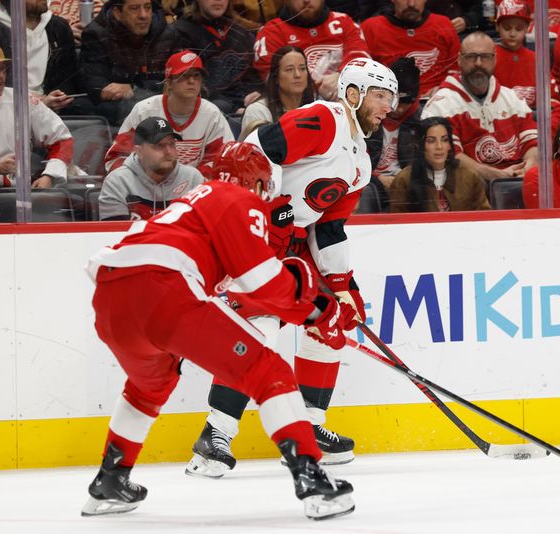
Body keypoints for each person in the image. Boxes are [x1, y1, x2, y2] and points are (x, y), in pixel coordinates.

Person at [81, 140, 356, 521]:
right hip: (163, 287)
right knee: (269, 371)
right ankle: (313, 481)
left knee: (149, 386)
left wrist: (309, 308)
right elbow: (264, 283)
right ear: (257, 184)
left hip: (111, 299)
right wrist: (318, 312)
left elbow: (248, 289)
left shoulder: (193, 201)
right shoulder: (237, 199)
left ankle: (110, 480)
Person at [185, 58, 397, 478]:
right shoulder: (324, 119)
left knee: (331, 323)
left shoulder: (360, 160)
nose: (387, 106)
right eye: (379, 95)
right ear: (352, 94)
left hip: (294, 243)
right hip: (257, 234)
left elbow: (329, 226)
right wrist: (274, 212)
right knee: (257, 330)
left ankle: (311, 426)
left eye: (391, 98)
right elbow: (254, 153)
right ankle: (215, 434)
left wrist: (340, 285)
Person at [0, 42, 73, 221]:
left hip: (18, 195)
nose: (0, 77)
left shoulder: (22, 100)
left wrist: (49, 176)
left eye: (2, 69)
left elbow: (63, 140)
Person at [422, 31, 539, 181]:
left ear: (495, 60)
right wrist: (496, 176)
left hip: (516, 183)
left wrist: (527, 168)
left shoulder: (512, 99)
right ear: (459, 60)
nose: (478, 63)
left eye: (485, 57)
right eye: (471, 57)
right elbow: (449, 157)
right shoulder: (440, 105)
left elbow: (532, 144)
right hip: (468, 190)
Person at [104, 52, 234, 179]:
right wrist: (140, 182)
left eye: (197, 75)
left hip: (194, 192)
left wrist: (190, 184)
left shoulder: (212, 114)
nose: (191, 81)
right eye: (184, 75)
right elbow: (116, 157)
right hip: (146, 189)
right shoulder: (145, 111)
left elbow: (224, 160)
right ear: (169, 82)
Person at [0, 0, 89, 114]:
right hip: (9, 111)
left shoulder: (59, 27)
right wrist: (37, 102)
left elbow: (69, 77)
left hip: (56, 110)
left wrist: (59, 97)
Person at [79, 0, 178, 126]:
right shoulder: (96, 33)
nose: (144, 15)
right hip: (118, 110)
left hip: (161, 104)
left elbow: (175, 81)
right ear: (117, 13)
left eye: (148, 8)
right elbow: (96, 84)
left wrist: (134, 89)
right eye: (134, 8)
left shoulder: (168, 33)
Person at [253, 0, 370, 101]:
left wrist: (343, 77)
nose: (306, 0)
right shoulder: (271, 32)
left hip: (351, 100)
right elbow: (275, 79)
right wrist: (319, 87)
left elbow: (361, 56)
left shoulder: (344, 22)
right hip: (299, 111)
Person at [99, 116, 205, 220]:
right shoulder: (118, 182)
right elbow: (115, 234)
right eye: (159, 146)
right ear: (139, 151)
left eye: (172, 144)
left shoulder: (193, 179)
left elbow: (205, 228)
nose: (169, 152)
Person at [171, 0, 263, 115]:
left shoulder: (240, 32)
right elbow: (189, 87)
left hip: (248, 109)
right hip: (209, 113)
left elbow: (255, 78)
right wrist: (233, 109)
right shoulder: (179, 33)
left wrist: (259, 94)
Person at [361, 0, 460, 99]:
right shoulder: (370, 27)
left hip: (437, 100)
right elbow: (360, 73)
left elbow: (457, 69)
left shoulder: (443, 24)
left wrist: (445, 88)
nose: (411, 4)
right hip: (387, 102)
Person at [390, 116, 490, 212]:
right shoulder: (404, 179)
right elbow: (398, 222)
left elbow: (485, 215)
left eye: (444, 140)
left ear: (450, 145)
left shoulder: (469, 176)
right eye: (431, 141)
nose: (439, 146)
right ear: (420, 145)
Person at [366, 57, 422, 189]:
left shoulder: (423, 119)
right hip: (371, 183)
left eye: (406, 102)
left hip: (408, 186)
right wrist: (378, 179)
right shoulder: (365, 115)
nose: (399, 109)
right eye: (395, 101)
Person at [241, 45, 316, 134]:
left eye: (302, 68)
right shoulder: (258, 111)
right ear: (276, 77)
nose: (297, 75)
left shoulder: (316, 106)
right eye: (289, 69)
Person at [493, 0, 536, 108]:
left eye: (519, 29)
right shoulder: (489, 56)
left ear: (527, 28)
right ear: (497, 26)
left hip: (533, 116)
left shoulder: (536, 58)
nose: (512, 34)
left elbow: (551, 97)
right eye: (507, 28)